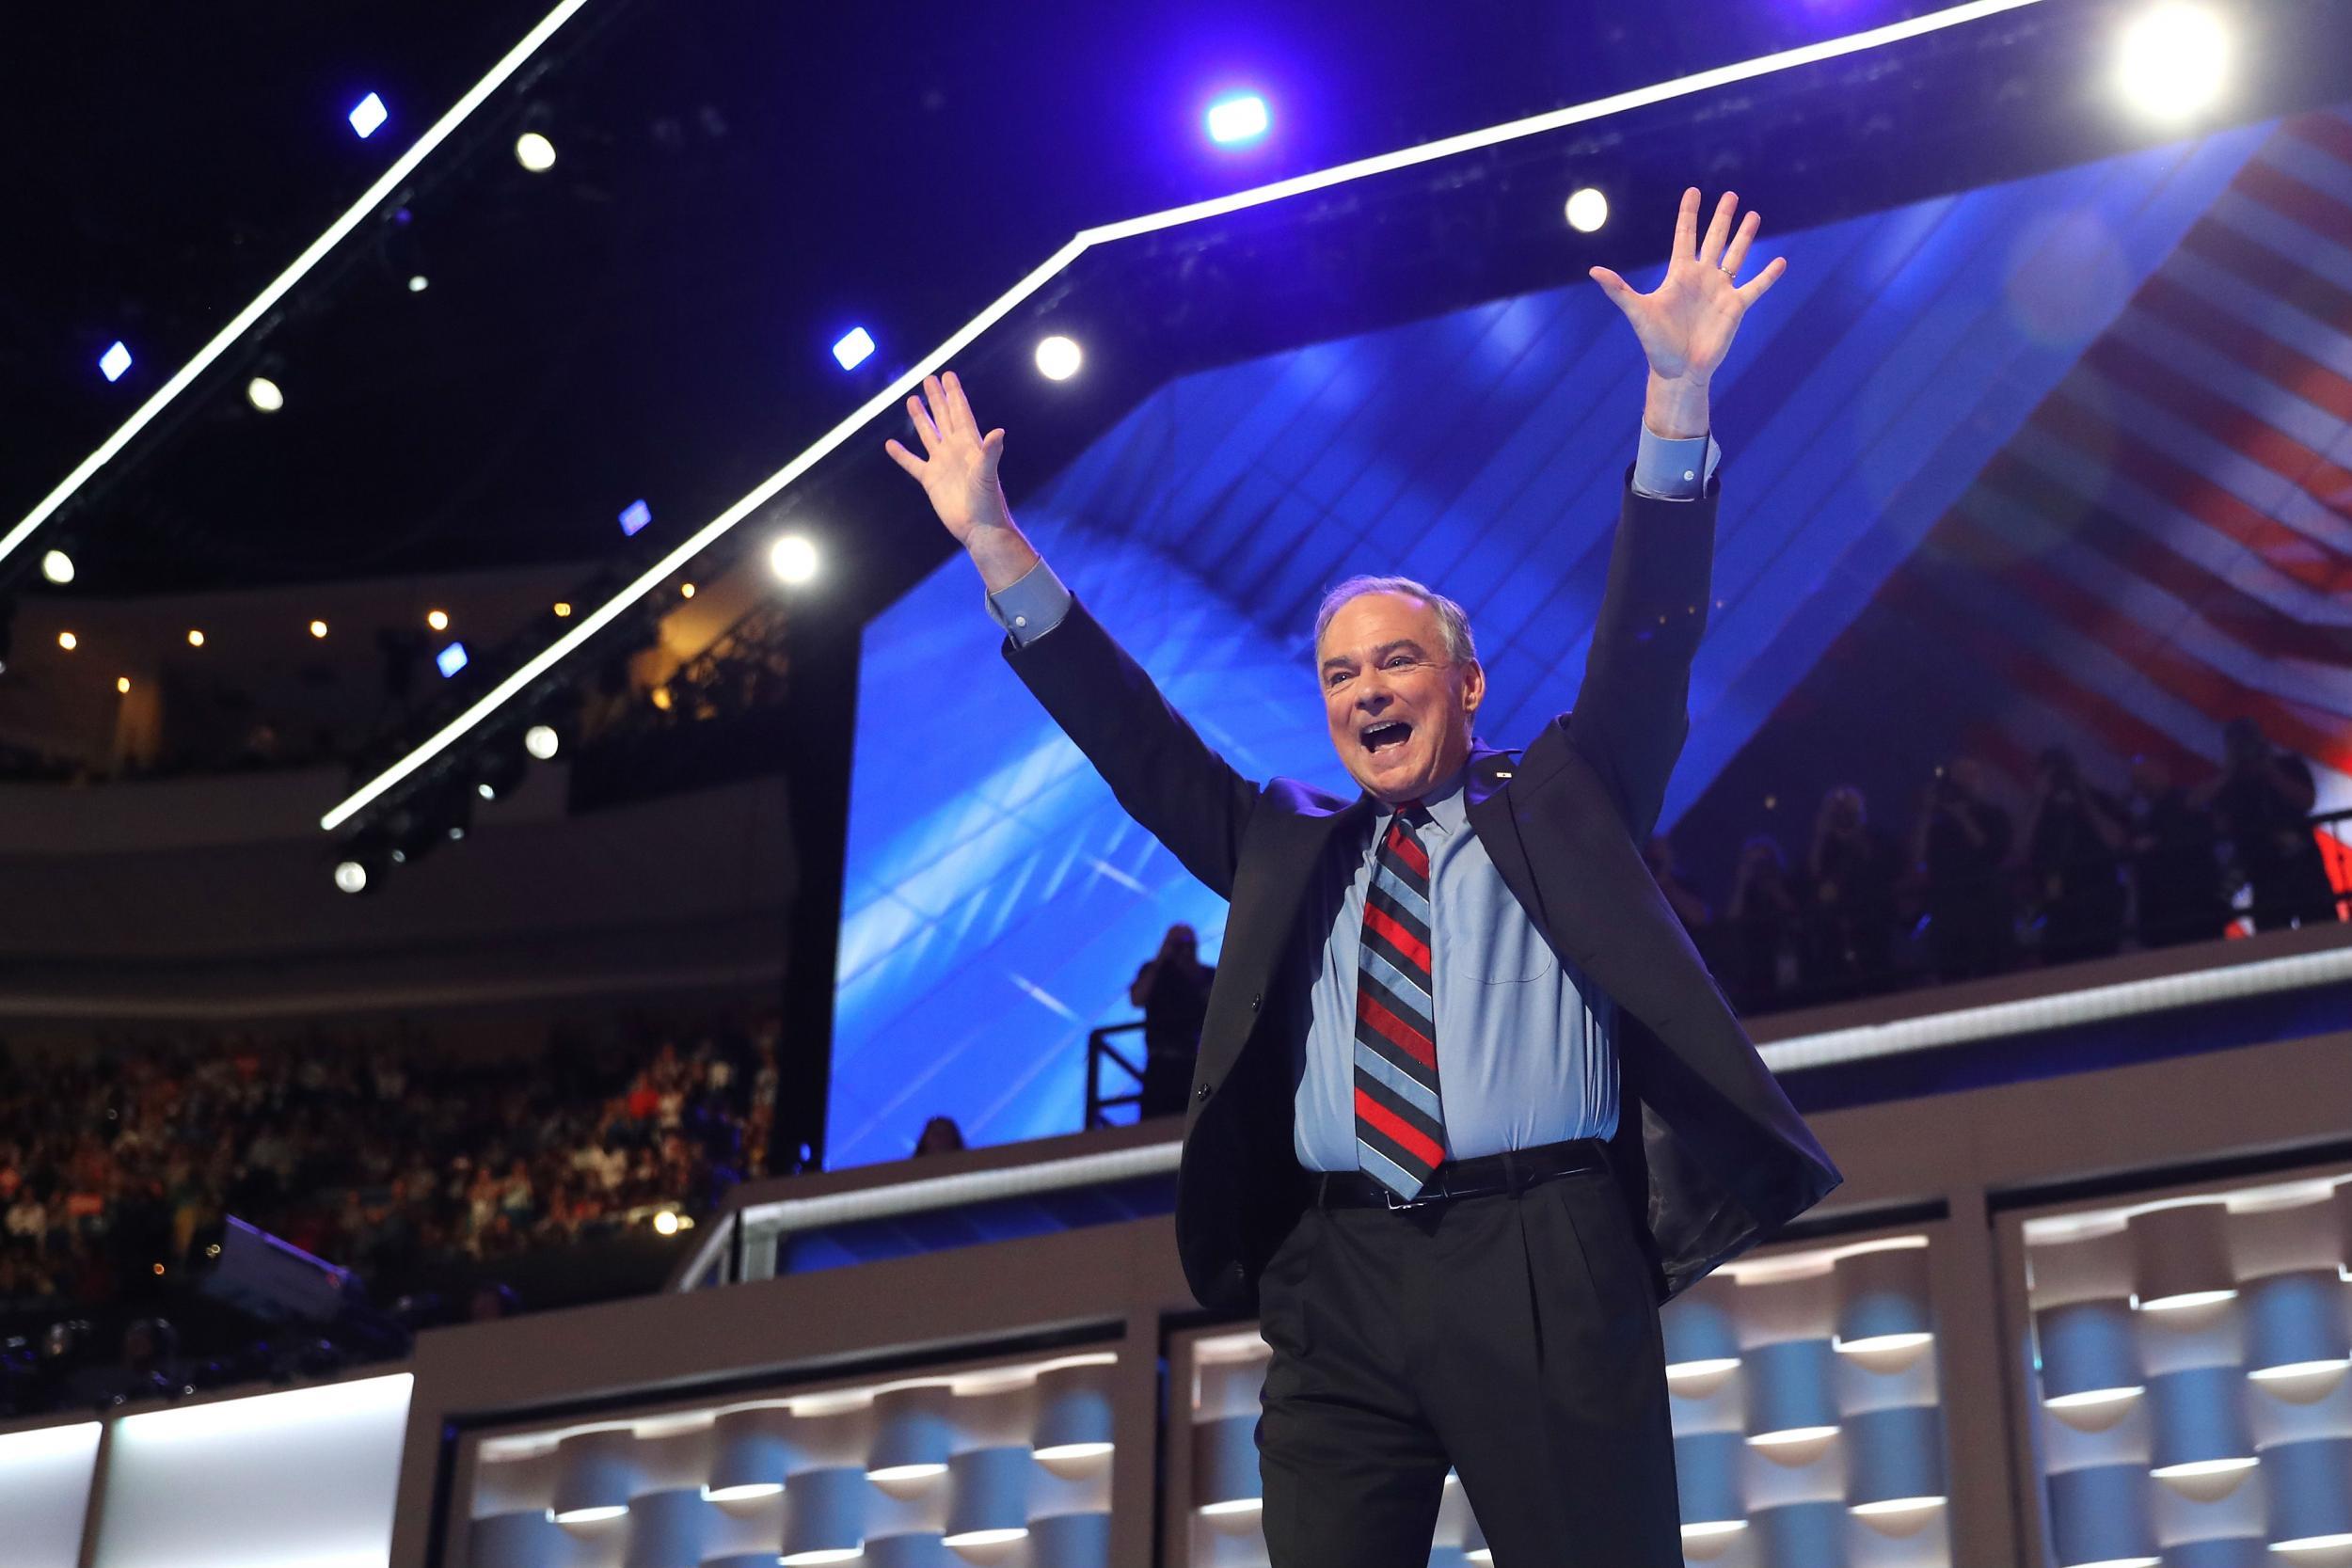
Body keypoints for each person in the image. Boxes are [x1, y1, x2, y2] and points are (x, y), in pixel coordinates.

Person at [885, 189, 1839, 1567]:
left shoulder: (1568, 797)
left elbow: (1647, 639)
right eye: (1339, 672)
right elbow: (1133, 736)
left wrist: (1677, 393)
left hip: (1542, 1253)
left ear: (1467, 684)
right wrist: (992, 541)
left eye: (1396, 660)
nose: (1366, 689)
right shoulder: (1287, 840)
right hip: (1337, 1276)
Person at [2200, 718, 2340, 931]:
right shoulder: (2230, 783)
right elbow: (2218, 823)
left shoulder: (2288, 765)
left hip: (2305, 866)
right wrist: (2229, 774)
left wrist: (2270, 771)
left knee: (2322, 929)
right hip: (2263, 871)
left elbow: (2307, 800)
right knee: (2273, 936)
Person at [2020, 746, 2129, 964]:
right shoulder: (2039, 810)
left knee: (2103, 964)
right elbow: (2019, 850)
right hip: (2057, 907)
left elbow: (2115, 840)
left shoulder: (2098, 800)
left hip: (2099, 900)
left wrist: (2083, 795)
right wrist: (2039, 798)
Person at [1912, 756, 2014, 983]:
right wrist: (1927, 813)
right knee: (1952, 980)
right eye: (1958, 778)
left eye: (1970, 776)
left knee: (1993, 979)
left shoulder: (1994, 815)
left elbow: (1993, 853)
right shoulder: (1936, 824)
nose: (1964, 784)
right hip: (1948, 916)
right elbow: (1917, 859)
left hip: (1987, 912)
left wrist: (1962, 816)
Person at [1804, 784, 1900, 998]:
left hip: (1875, 928)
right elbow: (1813, 875)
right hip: (1835, 935)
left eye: (1847, 807)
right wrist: (1822, 831)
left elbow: (1887, 870)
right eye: (1837, 808)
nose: (1842, 812)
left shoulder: (1876, 840)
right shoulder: (1824, 846)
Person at [2123, 754, 2230, 948]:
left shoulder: (2190, 802)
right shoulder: (2136, 819)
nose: (2143, 784)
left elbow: (2213, 829)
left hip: (2199, 912)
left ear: (2164, 773)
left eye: (2147, 776)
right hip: (2158, 920)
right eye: (2137, 780)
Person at [1130, 924, 1216, 1119]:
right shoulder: (1154, 972)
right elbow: (1137, 998)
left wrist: (1191, 969)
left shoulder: (1205, 974)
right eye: (1178, 945)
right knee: (1154, 1124)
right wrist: (1161, 959)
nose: (1184, 950)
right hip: (1160, 1064)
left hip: (1192, 1062)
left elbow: (1217, 1002)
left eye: (1189, 944)